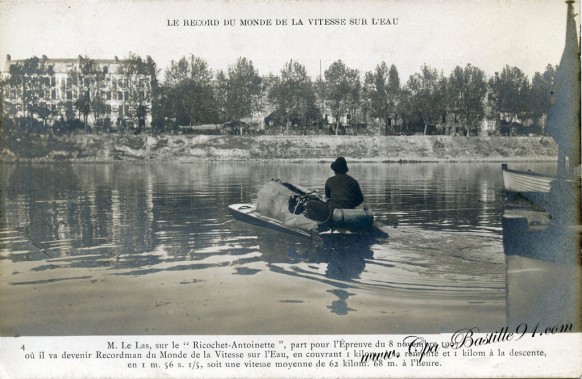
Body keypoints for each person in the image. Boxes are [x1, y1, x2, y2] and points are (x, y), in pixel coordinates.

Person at [306, 157, 364, 222]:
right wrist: (350, 205)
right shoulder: (353, 181)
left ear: (335, 170)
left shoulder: (330, 180)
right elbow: (361, 199)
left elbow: (328, 196)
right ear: (345, 169)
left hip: (334, 211)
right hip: (349, 210)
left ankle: (319, 225)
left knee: (310, 204)